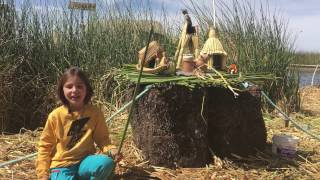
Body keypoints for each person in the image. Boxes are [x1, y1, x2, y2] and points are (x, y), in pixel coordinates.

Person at [36, 67, 121, 180]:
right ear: (62, 90)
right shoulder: (55, 116)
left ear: (87, 90)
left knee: (106, 163)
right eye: (69, 86)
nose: (74, 90)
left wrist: (112, 151)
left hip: (85, 162)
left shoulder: (94, 113)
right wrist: (43, 174)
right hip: (62, 165)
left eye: (80, 86)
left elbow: (103, 140)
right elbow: (45, 147)